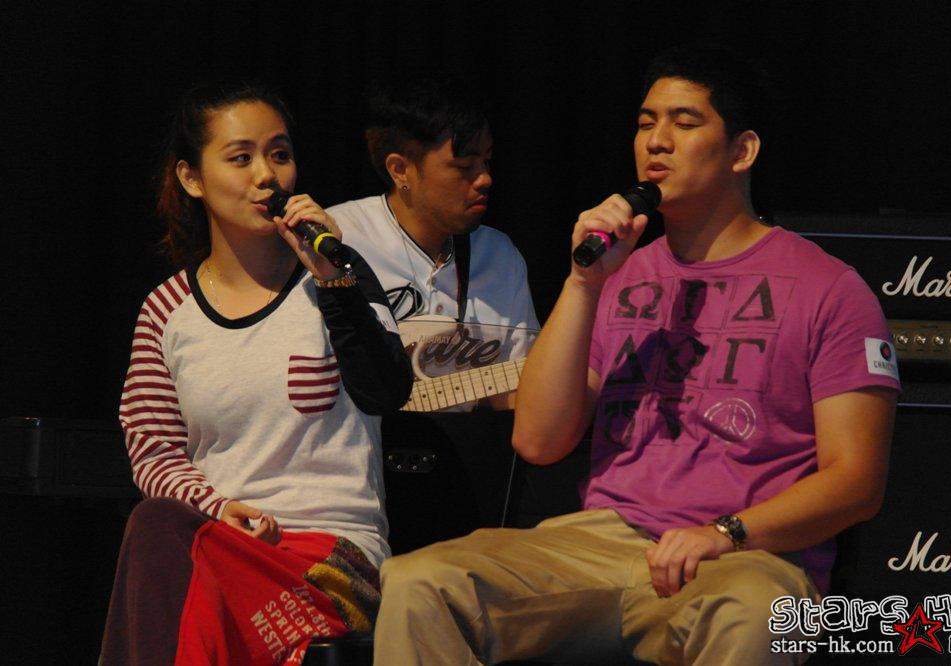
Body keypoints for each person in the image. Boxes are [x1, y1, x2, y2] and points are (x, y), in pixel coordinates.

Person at [373, 46, 900, 665]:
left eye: (685, 122)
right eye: (646, 123)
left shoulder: (829, 289)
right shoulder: (619, 274)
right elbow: (538, 440)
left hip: (747, 557)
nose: (657, 141)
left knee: (756, 614)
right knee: (420, 582)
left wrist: (725, 533)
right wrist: (583, 283)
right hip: (603, 542)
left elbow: (856, 482)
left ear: (742, 151)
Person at [100, 81, 412, 665]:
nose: (267, 176)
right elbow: (153, 450)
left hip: (332, 559)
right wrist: (218, 509)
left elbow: (386, 389)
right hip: (221, 543)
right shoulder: (166, 310)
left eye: (279, 154)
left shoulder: (340, 277)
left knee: (190, 597)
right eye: (241, 158)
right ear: (192, 178)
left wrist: (333, 280)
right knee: (160, 532)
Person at [326, 76, 539, 411]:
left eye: (486, 161)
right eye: (464, 166)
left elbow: (517, 392)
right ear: (400, 169)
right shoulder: (338, 239)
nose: (485, 178)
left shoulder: (500, 256)